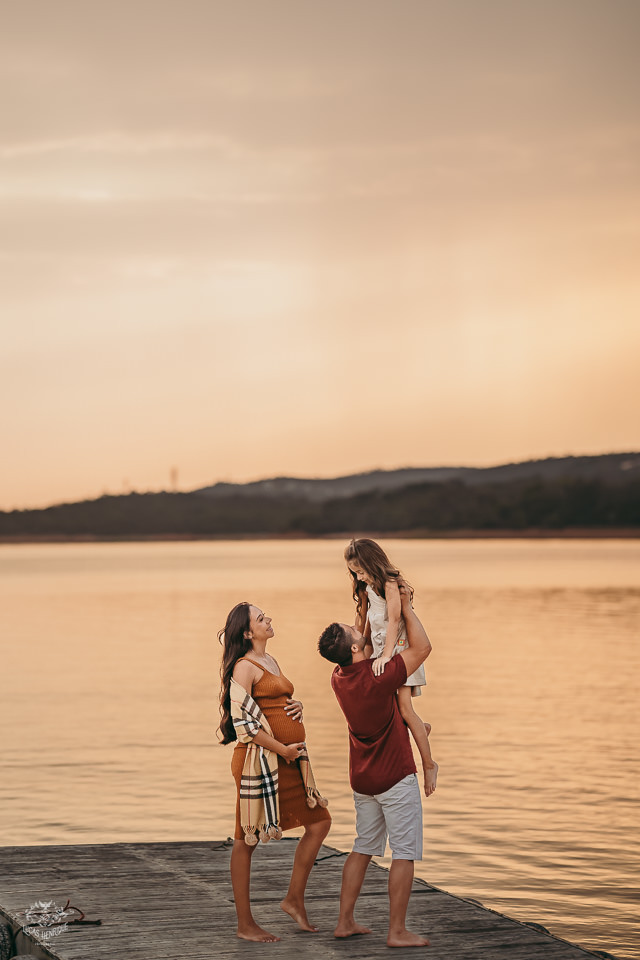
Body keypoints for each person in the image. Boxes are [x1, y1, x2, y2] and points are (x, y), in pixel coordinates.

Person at [318, 583, 432, 947]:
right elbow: (423, 648)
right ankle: (397, 931)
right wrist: (408, 608)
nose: (362, 629)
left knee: (363, 846)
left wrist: (365, 604)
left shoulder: (339, 678)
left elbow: (360, 638)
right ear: (355, 648)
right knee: (404, 853)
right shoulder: (379, 675)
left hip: (362, 779)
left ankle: (344, 922)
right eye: (357, 632)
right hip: (394, 776)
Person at [219, 602, 331, 942]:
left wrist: (298, 707)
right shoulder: (244, 667)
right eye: (261, 618)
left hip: (289, 761)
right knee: (245, 839)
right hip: (259, 762)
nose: (269, 620)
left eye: (266, 616)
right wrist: (281, 748)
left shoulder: (270, 661)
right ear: (248, 632)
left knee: (320, 822)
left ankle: (293, 899)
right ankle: (245, 924)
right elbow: (244, 724)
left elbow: (273, 706)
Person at [344, 538, 438, 797]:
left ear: (372, 563)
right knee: (393, 711)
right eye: (355, 573)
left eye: (361, 571)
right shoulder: (368, 589)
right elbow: (366, 625)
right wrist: (363, 650)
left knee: (405, 709)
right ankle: (421, 729)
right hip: (378, 654)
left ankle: (429, 764)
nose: (359, 577)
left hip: (398, 651)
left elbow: (395, 620)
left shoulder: (389, 584)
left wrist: (386, 656)